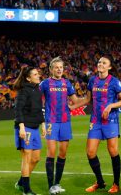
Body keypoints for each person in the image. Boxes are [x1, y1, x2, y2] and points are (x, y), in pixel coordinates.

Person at [40, 57, 86, 195]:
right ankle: (50, 186)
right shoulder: (45, 84)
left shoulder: (67, 83)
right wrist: (42, 122)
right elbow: (37, 101)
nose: (59, 69)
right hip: (51, 122)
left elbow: (76, 101)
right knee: (51, 153)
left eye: (61, 67)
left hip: (65, 122)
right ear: (51, 69)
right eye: (56, 67)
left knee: (63, 153)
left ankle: (57, 183)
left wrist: (87, 99)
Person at [83, 56, 121, 193]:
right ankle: (100, 181)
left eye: (104, 63)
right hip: (95, 120)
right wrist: (72, 107)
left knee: (113, 151)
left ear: (109, 67)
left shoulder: (114, 82)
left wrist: (110, 106)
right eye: (99, 62)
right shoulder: (92, 80)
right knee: (90, 152)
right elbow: (87, 99)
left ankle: (116, 184)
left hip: (111, 120)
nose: (101, 64)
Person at [14, 66, 46, 195]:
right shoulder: (23, 91)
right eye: (35, 74)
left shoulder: (37, 90)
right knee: (26, 158)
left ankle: (21, 182)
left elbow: (39, 110)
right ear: (28, 78)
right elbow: (18, 109)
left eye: (38, 74)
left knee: (36, 158)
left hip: (34, 128)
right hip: (25, 127)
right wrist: (21, 126)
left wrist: (43, 124)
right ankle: (26, 190)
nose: (38, 76)